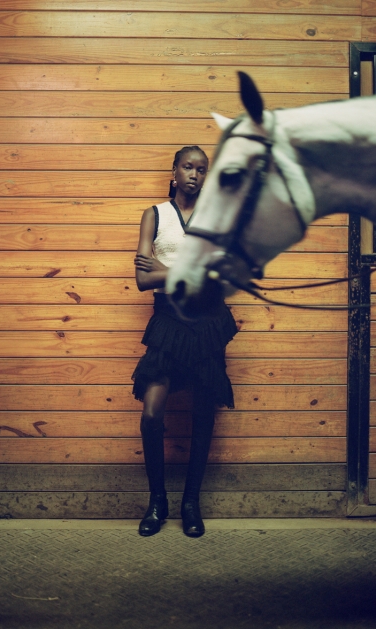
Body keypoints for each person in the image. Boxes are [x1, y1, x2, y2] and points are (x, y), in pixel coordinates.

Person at [132, 146, 238, 538]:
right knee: (152, 413)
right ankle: (157, 502)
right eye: (187, 167)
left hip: (208, 320)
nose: (194, 174)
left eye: (201, 169)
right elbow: (142, 279)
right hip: (169, 320)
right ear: (174, 171)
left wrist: (168, 268)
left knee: (203, 414)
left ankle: (190, 503)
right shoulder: (155, 215)